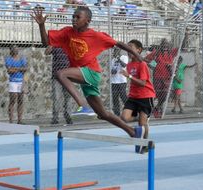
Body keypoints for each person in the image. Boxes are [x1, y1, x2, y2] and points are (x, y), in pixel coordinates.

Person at [31, 6, 146, 153]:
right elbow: (46, 42)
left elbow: (119, 44)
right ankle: (133, 132)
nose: (74, 19)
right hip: (83, 74)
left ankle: (83, 105)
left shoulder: (96, 36)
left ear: (87, 21)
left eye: (78, 17)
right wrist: (41, 25)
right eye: (73, 16)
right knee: (103, 114)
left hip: (91, 72)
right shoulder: (67, 32)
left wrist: (138, 56)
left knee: (60, 74)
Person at [120, 39, 156, 153]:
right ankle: (141, 119)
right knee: (124, 117)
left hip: (146, 96)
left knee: (142, 123)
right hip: (133, 97)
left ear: (139, 50)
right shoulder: (130, 65)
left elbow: (143, 83)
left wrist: (129, 76)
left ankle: (145, 144)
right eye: (127, 48)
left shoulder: (142, 64)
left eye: (130, 47)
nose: (128, 50)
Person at [144, 39, 178, 118]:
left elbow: (181, 47)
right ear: (161, 45)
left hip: (167, 78)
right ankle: (157, 110)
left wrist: (186, 35)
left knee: (165, 95)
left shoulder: (171, 53)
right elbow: (145, 59)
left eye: (167, 44)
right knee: (157, 94)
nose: (165, 46)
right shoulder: (156, 53)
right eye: (163, 44)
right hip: (157, 77)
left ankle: (157, 107)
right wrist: (153, 65)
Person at [45, 46, 73, 125]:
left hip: (68, 75)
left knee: (68, 97)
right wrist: (51, 45)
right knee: (56, 97)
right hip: (56, 76)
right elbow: (46, 53)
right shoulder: (55, 43)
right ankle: (55, 118)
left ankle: (68, 116)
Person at [5, 45, 27, 124]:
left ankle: (19, 120)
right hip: (13, 81)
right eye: (14, 48)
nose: (16, 50)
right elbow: (9, 70)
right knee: (12, 100)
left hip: (21, 82)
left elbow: (25, 69)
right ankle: (11, 121)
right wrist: (20, 69)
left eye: (17, 48)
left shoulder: (22, 59)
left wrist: (15, 69)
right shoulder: (8, 59)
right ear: (11, 50)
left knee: (20, 100)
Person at [110, 48, 128, 116]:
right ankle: (117, 114)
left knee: (123, 96)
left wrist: (119, 59)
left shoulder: (124, 57)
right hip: (114, 81)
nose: (115, 52)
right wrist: (113, 71)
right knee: (115, 98)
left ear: (119, 51)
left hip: (121, 81)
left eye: (116, 51)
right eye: (114, 51)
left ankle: (129, 111)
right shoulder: (113, 60)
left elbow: (124, 65)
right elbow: (112, 71)